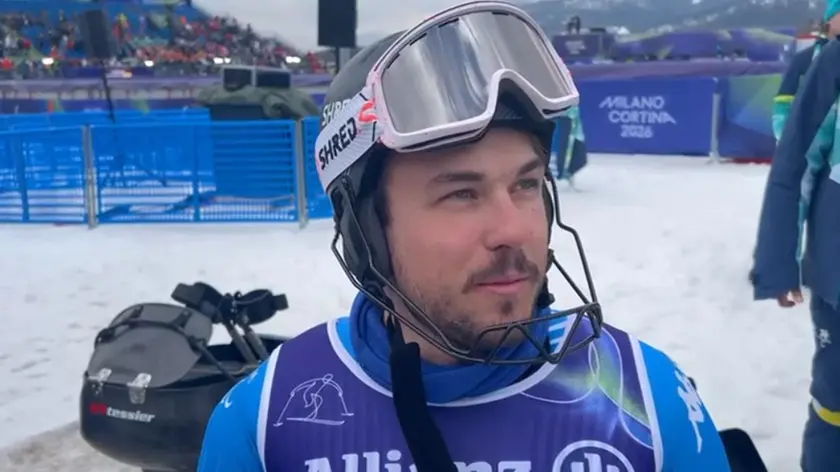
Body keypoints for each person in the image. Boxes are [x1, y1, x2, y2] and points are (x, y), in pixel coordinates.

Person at [197, 2, 731, 471]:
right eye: (461, 194)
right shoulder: (268, 420)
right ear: (364, 232)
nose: (514, 230)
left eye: (526, 185)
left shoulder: (649, 402)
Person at [752, 3, 840, 472]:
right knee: (835, 403)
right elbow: (795, 162)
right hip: (837, 273)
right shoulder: (828, 62)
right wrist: (778, 261)